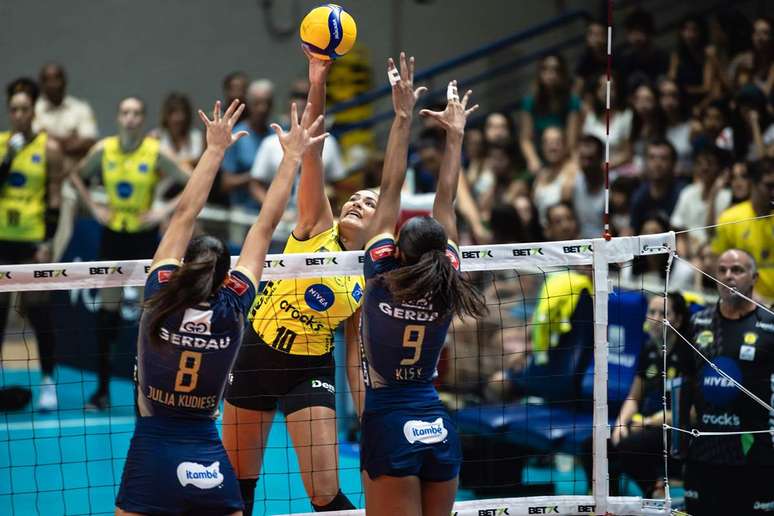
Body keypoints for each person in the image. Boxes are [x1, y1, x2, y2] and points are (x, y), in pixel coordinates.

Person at [114, 99, 327, 515]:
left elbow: (184, 214)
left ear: (181, 267)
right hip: (207, 454)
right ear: (227, 276)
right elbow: (264, 227)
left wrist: (213, 150)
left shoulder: (160, 295)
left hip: (153, 447)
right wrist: (293, 160)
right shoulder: (233, 305)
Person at [223, 52, 373, 514]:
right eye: (356, 197)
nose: (357, 203)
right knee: (237, 490)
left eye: (370, 204)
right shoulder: (317, 226)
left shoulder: (371, 278)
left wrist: (371, 418)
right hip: (254, 356)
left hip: (310, 370)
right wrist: (318, 82)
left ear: (382, 224)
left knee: (325, 494)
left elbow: (356, 360)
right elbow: (314, 153)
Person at [359, 55, 486, 516]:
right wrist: (455, 136)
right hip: (435, 422)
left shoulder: (380, 275)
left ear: (396, 249)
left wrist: (402, 116)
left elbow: (390, 187)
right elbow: (447, 197)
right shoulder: (448, 280)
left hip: (390, 421)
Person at [70, 96, 191, 410]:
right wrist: (94, 206)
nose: (131, 118)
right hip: (112, 239)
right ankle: (101, 391)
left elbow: (189, 181)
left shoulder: (154, 152)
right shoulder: (104, 150)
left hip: (144, 241)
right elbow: (75, 175)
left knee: (146, 317)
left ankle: (146, 392)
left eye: (137, 113)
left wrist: (162, 208)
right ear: (118, 117)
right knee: (106, 317)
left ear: (143, 118)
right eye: (125, 112)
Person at [676, 249, 774, 515]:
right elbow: (684, 381)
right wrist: (680, 437)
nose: (728, 276)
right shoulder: (698, 322)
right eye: (722, 270)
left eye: (737, 270)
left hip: (754, 454)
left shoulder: (769, 325)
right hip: (704, 453)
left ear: (753, 278)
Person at [0, 78, 64, 411]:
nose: (20, 114)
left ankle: (48, 383)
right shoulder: (0, 145)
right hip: (1, 242)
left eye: (25, 108)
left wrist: (46, 242)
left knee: (39, 311)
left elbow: (54, 198)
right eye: (14, 108)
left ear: (33, 110)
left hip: (32, 244)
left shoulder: (49, 149)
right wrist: (8, 157)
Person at [607, 293, 692, 496]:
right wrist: (620, 424)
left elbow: (689, 412)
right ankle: (609, 500)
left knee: (630, 446)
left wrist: (645, 422)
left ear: (678, 320)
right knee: (597, 443)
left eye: (663, 313)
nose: (655, 318)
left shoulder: (688, 354)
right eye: (651, 312)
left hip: (676, 428)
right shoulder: (649, 350)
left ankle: (652, 492)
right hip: (646, 423)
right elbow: (634, 397)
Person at [712, 158, 774, 304]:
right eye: (769, 186)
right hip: (745, 303)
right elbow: (718, 266)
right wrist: (750, 298)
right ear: (753, 184)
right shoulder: (729, 219)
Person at [519, 53, 581, 174]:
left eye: (555, 70)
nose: (551, 75)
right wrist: (533, 159)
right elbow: (525, 139)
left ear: (562, 74)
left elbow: (571, 142)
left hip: (563, 156)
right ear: (540, 73)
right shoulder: (530, 102)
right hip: (539, 157)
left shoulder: (572, 101)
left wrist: (567, 164)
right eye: (545, 69)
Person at [220, 80, 274, 213]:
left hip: (272, 213)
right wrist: (255, 175)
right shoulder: (237, 135)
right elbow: (226, 183)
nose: (263, 108)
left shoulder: (276, 136)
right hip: (243, 213)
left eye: (267, 103)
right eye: (257, 103)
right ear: (249, 104)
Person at [151, 92, 204, 169]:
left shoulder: (197, 136)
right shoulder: (156, 136)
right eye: (174, 112)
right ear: (166, 115)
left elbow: (200, 161)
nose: (179, 117)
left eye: (182, 112)